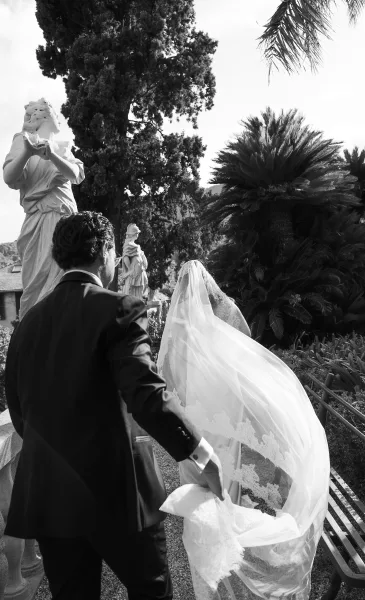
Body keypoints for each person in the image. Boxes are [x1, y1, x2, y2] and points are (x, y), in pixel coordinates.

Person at [4, 213, 224, 600]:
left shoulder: (27, 322)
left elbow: (19, 407)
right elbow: (145, 392)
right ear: (107, 251)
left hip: (52, 493)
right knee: (150, 591)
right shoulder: (121, 308)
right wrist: (200, 452)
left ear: (57, 258)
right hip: (119, 491)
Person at [158, 260, 330, 600]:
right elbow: (247, 344)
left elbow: (168, 368)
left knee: (196, 461)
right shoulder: (227, 310)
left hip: (196, 404)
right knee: (222, 458)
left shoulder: (177, 320)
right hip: (221, 399)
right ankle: (226, 517)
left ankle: (204, 526)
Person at [3, 98, 85, 319]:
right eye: (53, 114)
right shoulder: (23, 140)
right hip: (39, 217)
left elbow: (76, 175)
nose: (57, 118)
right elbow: (9, 177)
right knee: (36, 281)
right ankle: (37, 327)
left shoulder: (62, 146)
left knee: (67, 276)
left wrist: (53, 156)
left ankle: (65, 323)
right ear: (42, 117)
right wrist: (28, 152)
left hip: (66, 219)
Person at [121, 223, 148, 299]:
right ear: (134, 234)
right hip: (133, 273)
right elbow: (125, 257)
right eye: (137, 233)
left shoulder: (136, 245)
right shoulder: (128, 244)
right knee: (131, 291)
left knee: (140, 289)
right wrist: (130, 269)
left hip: (140, 272)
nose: (137, 235)